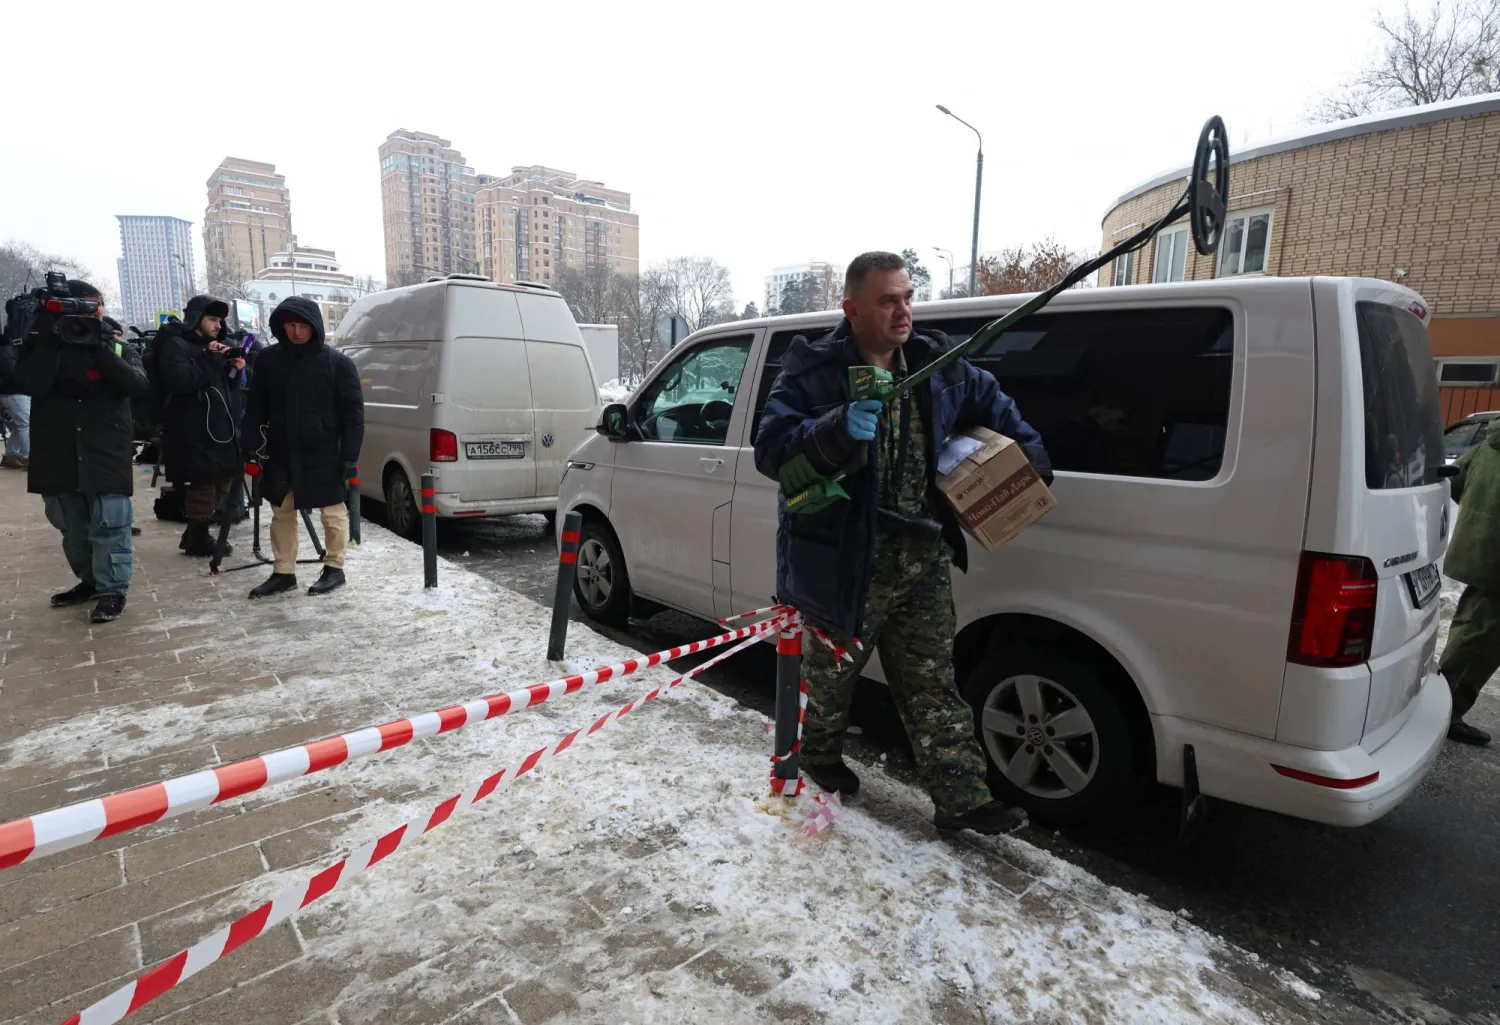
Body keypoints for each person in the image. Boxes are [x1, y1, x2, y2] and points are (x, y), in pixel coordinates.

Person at [754, 251, 1053, 835]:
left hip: (921, 553)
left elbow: (1003, 415)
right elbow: (772, 449)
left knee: (931, 678)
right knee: (829, 679)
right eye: (888, 300)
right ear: (853, 308)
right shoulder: (812, 371)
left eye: (908, 296)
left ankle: (961, 798)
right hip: (843, 558)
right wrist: (833, 428)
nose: (903, 311)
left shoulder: (940, 366)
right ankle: (816, 757)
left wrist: (1030, 465)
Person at [11, 280, 150, 623]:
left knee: (110, 524)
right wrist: (52, 340)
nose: (90, 312)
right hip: (58, 450)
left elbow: (137, 385)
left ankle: (113, 591)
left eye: (94, 305)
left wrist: (99, 347)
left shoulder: (115, 344)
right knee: (72, 528)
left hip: (104, 449)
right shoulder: (41, 342)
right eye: (82, 306)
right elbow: (28, 383)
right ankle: (89, 582)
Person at [244, 297, 363, 598]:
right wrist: (250, 444)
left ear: (314, 326)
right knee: (281, 511)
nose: (296, 332)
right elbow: (256, 406)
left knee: (332, 512)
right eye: (290, 325)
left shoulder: (337, 363)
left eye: (302, 325)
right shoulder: (269, 360)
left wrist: (349, 457)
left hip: (323, 451)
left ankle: (335, 567)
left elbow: (354, 416)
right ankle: (284, 571)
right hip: (281, 449)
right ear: (281, 326)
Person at [154, 296, 244, 556]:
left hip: (222, 428)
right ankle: (199, 536)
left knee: (224, 480)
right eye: (212, 319)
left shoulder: (218, 347)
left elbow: (225, 387)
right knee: (203, 483)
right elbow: (181, 381)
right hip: (191, 428)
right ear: (196, 319)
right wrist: (210, 360)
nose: (218, 325)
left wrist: (235, 370)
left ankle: (195, 530)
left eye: (220, 320)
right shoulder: (176, 346)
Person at [1438, 427, 1500, 746]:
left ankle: (1442, 708)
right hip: (1494, 566)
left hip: (1481, 554)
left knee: (1472, 630)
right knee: (1480, 638)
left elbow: (1453, 479)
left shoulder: (1487, 445)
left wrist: (1478, 522)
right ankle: (1444, 713)